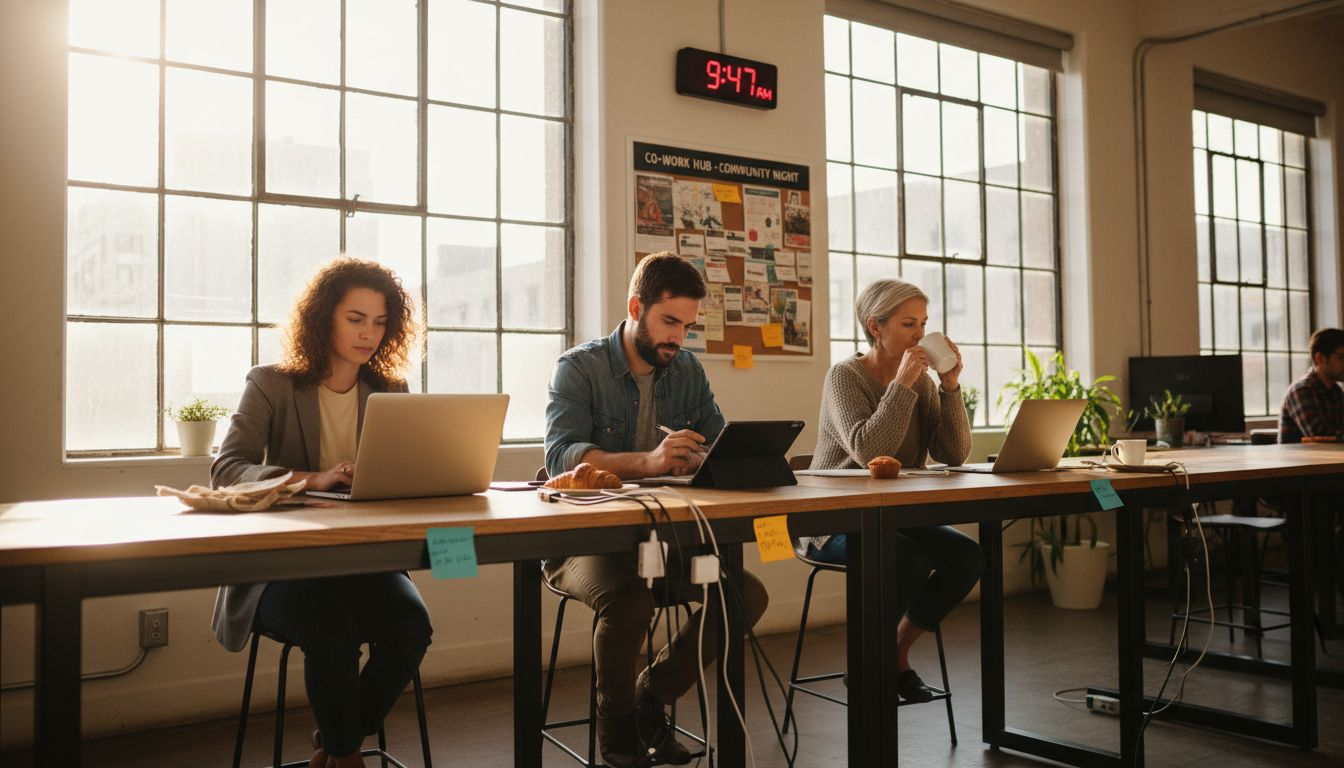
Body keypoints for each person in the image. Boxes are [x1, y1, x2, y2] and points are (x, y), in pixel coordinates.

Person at [544, 251, 769, 768]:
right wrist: (647, 462)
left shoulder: (686, 369)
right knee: (630, 603)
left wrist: (719, 456)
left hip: (660, 540)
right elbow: (560, 455)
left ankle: (652, 695)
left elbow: (718, 439)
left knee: (744, 595)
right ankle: (618, 726)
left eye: (687, 327)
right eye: (669, 322)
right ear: (635, 307)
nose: (678, 338)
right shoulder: (579, 368)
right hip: (581, 541)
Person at [212, 258, 433, 768]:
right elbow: (226, 470)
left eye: (380, 322)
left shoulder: (390, 391)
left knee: (410, 627)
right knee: (331, 636)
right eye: (355, 318)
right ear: (323, 318)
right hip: (280, 565)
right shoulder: (271, 383)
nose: (369, 333)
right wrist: (313, 479)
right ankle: (347, 756)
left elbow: (401, 477)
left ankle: (335, 743)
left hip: (362, 560)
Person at [805, 278, 984, 703]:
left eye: (923, 323)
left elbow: (954, 454)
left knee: (968, 557)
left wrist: (950, 386)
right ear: (876, 327)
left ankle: (890, 653)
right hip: (832, 521)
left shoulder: (923, 382)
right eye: (908, 324)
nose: (920, 334)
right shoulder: (844, 377)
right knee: (907, 559)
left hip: (893, 516)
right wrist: (900, 385)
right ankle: (877, 662)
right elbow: (872, 451)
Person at [1279, 327, 1344, 443]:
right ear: (1320, 358)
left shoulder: (1336, 391)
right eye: (1342, 357)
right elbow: (1319, 435)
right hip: (1301, 461)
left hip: (1330, 459)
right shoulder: (1301, 390)